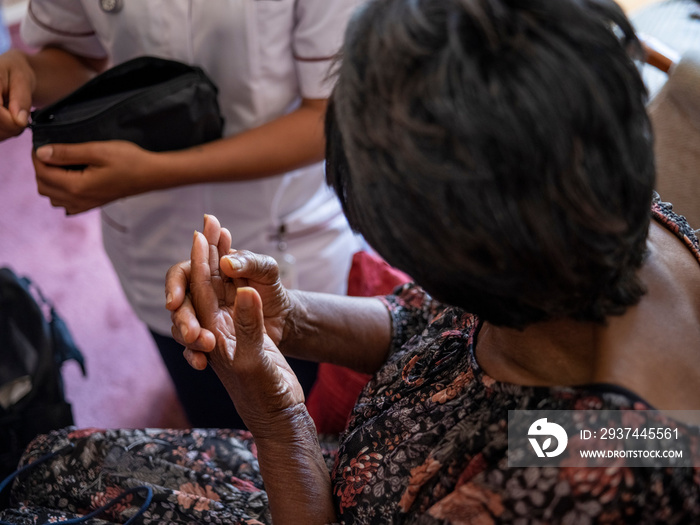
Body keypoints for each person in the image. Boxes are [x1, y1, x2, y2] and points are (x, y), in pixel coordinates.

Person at [2, 0, 700, 523]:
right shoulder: (599, 215)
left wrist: (277, 420)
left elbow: (528, 435)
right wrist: (289, 316)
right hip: (346, 465)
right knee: (52, 464)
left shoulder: (604, 459)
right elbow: (430, 326)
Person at [0, 0, 365, 428]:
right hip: (149, 238)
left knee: (312, 423)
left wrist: (155, 172)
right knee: (209, 417)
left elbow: (329, 113)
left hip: (285, 233)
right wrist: (24, 72)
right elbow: (80, 58)